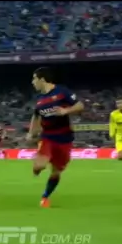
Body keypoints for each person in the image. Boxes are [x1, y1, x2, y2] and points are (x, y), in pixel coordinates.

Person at [27, 67, 83, 207]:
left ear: (42, 79)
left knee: (56, 172)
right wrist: (31, 132)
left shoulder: (61, 91)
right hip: (48, 137)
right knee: (39, 166)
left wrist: (66, 111)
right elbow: (36, 116)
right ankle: (37, 167)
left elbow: (80, 105)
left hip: (65, 138)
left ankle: (45, 196)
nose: (33, 82)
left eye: (34, 79)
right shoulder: (40, 100)